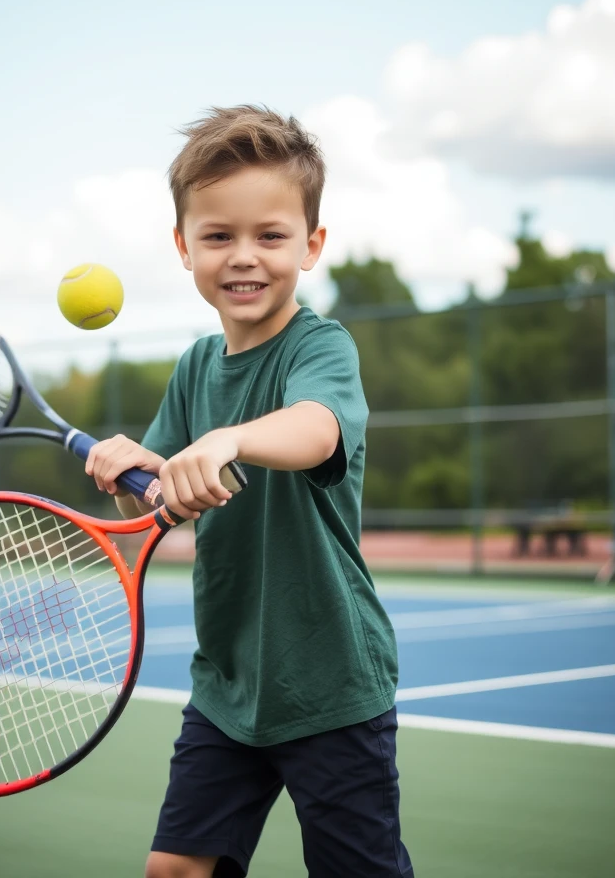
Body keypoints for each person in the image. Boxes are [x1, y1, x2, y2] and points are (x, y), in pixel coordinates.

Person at [86, 105, 413, 878]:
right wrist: (127, 466)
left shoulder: (321, 347)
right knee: (175, 869)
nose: (245, 257)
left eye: (270, 236)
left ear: (312, 244)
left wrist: (230, 439)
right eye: (218, 236)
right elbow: (159, 495)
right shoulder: (196, 367)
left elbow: (316, 430)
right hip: (229, 688)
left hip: (331, 686)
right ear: (183, 247)